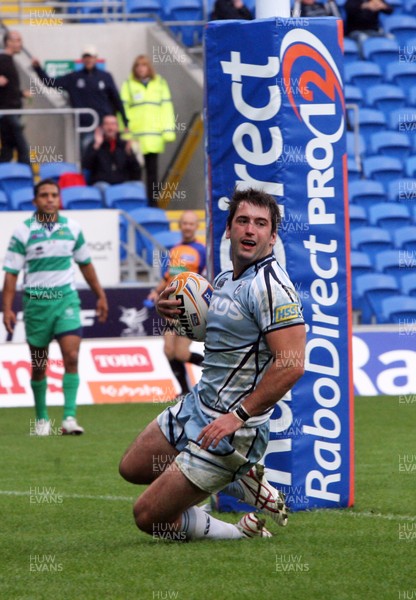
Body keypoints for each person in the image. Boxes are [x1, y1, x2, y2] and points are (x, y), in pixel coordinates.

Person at [119, 188, 306, 541]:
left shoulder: (272, 287)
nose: (251, 230)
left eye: (261, 224)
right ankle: (239, 480)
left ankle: (239, 533)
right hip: (197, 406)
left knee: (148, 517)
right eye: (243, 221)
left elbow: (292, 363)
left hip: (233, 431)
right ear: (228, 230)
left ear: (273, 236)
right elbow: (228, 344)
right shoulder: (223, 279)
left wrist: (238, 416)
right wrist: (171, 311)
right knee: (132, 468)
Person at [2, 179, 108, 436]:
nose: (50, 199)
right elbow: (11, 274)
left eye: (54, 195)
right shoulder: (22, 232)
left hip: (66, 301)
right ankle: (41, 421)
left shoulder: (72, 228)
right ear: (35, 200)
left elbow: (85, 265)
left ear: (59, 199)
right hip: (37, 304)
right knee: (39, 365)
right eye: (44, 195)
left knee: (71, 357)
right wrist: (7, 308)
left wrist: (100, 296)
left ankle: (69, 418)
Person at [147, 210, 206, 400]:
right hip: (171, 307)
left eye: (191, 223)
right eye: (185, 223)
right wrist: (156, 291)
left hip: (189, 307)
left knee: (181, 354)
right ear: (180, 225)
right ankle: (184, 391)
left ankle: (216, 367)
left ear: (196, 226)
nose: (187, 227)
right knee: (168, 351)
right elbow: (168, 277)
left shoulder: (202, 250)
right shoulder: (174, 250)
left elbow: (206, 278)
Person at [31, 45, 129, 152]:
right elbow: (50, 83)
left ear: (96, 58)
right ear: (82, 59)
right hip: (85, 127)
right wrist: (38, 68)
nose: (88, 60)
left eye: (91, 57)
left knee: (109, 155)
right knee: (87, 156)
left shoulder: (105, 76)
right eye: (86, 57)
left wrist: (125, 121)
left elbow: (116, 99)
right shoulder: (74, 77)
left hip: (105, 126)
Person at [120, 55, 176, 207]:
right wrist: (125, 135)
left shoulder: (160, 84)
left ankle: (152, 204)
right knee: (134, 173)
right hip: (135, 138)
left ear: (148, 67)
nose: (141, 68)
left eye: (143, 65)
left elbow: (166, 108)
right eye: (138, 66)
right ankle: (136, 203)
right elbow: (122, 110)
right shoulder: (129, 85)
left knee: (153, 174)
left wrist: (168, 130)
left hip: (153, 137)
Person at [82, 114, 142, 190]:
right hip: (102, 184)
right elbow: (86, 166)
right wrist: (96, 146)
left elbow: (136, 172)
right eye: (107, 124)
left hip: (122, 183)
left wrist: (130, 154)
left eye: (113, 124)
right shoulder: (95, 144)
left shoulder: (124, 145)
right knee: (103, 187)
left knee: (139, 185)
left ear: (117, 127)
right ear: (102, 127)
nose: (110, 127)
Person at [0, 30, 31, 165]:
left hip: (13, 111)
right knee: (23, 148)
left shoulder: (10, 60)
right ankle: (29, 181)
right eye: (18, 40)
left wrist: (21, 93)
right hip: (7, 113)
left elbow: (9, 88)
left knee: (8, 150)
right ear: (9, 42)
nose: (21, 44)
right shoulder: (2, 58)